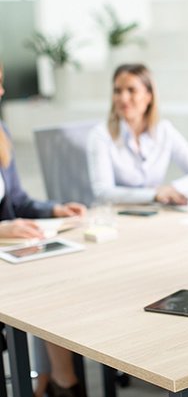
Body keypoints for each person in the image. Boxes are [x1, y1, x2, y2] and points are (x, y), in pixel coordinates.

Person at [0, 61, 87, 397]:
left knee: (57, 282)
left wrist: (54, 208)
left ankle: (62, 383)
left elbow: (18, 199)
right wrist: (3, 229)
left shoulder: (1, 133)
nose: (3, 92)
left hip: (10, 257)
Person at [87, 63, 188, 205]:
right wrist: (153, 194)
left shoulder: (164, 131)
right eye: (117, 91)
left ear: (149, 96)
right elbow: (103, 193)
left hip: (155, 212)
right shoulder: (101, 135)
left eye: (131, 90)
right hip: (118, 215)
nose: (123, 98)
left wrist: (173, 188)